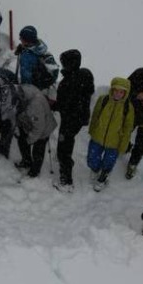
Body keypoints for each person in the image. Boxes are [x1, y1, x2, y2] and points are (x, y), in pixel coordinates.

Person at [52, 49, 94, 192]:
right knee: (67, 141)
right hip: (79, 118)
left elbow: (64, 104)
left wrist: (53, 104)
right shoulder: (85, 75)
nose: (62, 65)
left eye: (64, 63)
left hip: (70, 120)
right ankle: (65, 161)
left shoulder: (69, 82)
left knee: (64, 147)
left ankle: (66, 180)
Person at [87, 77, 135, 191]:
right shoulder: (103, 100)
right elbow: (95, 116)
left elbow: (128, 128)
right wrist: (92, 130)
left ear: (125, 93)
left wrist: (123, 145)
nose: (118, 94)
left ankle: (103, 176)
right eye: (116, 90)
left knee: (109, 161)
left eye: (121, 92)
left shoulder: (128, 107)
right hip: (98, 137)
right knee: (92, 157)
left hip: (114, 141)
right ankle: (95, 169)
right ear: (112, 90)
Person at [14, 84, 58, 178]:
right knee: (22, 140)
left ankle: (35, 172)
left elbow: (39, 129)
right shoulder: (23, 93)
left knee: (37, 150)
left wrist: (29, 140)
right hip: (31, 123)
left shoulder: (35, 104)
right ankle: (26, 162)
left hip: (44, 128)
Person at [13, 26, 60, 90]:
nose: (20, 39)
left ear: (28, 40)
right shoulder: (33, 49)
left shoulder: (32, 56)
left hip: (32, 90)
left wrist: (27, 89)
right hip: (31, 87)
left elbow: (27, 76)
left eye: (21, 38)